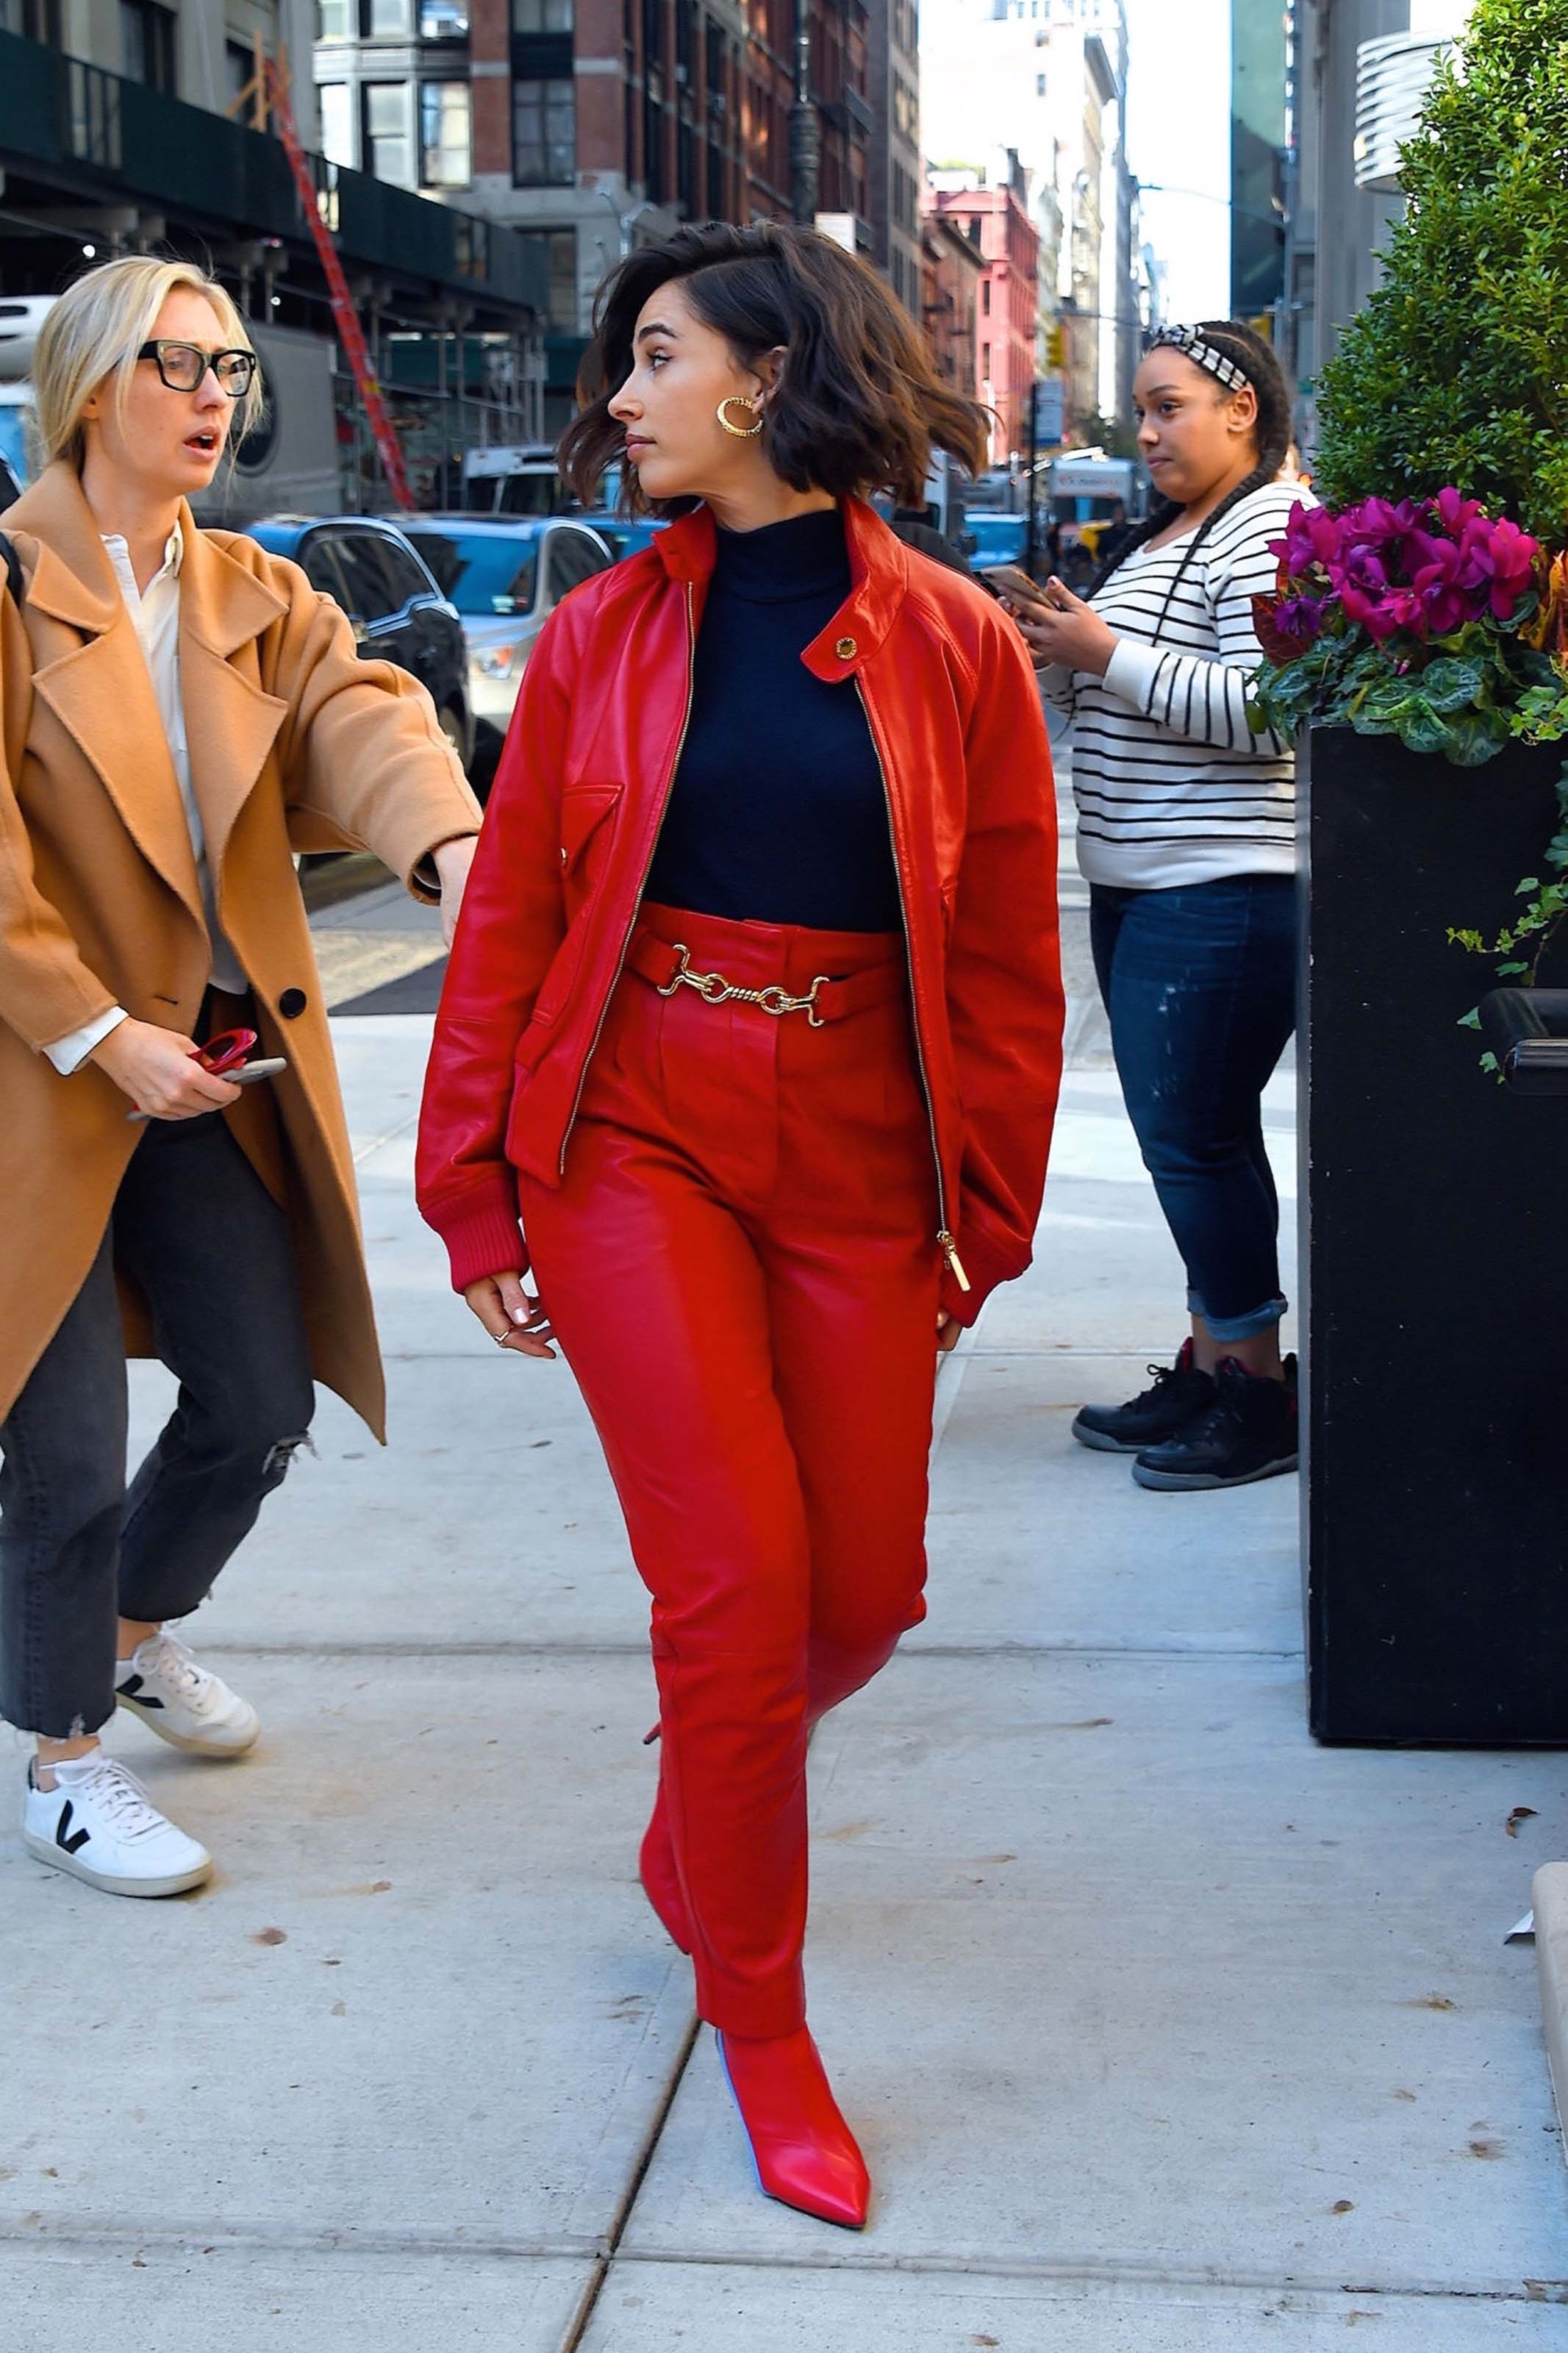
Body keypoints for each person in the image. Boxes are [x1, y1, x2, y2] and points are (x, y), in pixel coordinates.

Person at [416, 221, 1062, 2227]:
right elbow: (514, 916)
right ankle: (758, 2021)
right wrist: (477, 1194)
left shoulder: (947, 640)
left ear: (765, 378)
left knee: (856, 1599)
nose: (618, 394)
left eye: (654, 354)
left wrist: (985, 1210)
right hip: (637, 1132)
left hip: (861, 1137)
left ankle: (702, 1792)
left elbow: (1005, 957)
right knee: (726, 1591)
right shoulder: (604, 631)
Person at [0, 257, 482, 1897]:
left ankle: (129, 1631)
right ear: (87, 381)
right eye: (178, 362)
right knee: (56, 1446)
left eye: (230, 370)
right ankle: (64, 1759)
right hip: (44, 1075)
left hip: (206, 1065)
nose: (216, 393)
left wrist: (447, 843)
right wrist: (90, 1026)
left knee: (260, 1400)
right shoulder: (4, 586)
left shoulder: (254, 598)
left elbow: (362, 717)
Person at [1006, 320, 1309, 1492]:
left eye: (1166, 405)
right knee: (1199, 1140)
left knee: (1191, 1143)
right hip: (1148, 884)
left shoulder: (1273, 525)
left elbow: (1277, 709)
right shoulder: (1168, 535)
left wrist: (1101, 651)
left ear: (1241, 409)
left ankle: (1252, 1396)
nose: (1144, 431)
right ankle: (1221, 1359)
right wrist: (1056, 656)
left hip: (1219, 888)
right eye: (1138, 409)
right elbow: (1126, 710)